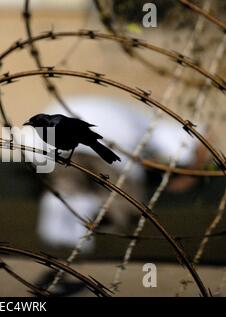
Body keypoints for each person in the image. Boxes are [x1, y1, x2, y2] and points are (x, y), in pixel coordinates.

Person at [24, 95, 201, 251]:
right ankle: (97, 234)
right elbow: (199, 137)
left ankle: (65, 242)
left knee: (67, 190)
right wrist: (190, 174)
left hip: (63, 151)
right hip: (110, 153)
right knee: (122, 202)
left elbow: (30, 147)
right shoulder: (145, 120)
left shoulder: (57, 111)